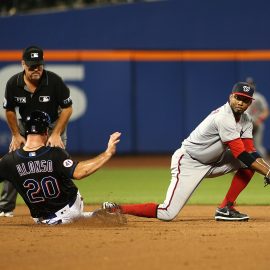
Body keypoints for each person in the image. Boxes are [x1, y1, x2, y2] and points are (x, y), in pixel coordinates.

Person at [103, 82, 270, 222]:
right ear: (231, 96)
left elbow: (250, 152)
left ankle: (226, 207)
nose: (241, 102)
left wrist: (267, 169)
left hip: (216, 160)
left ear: (250, 103)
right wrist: (267, 171)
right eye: (238, 98)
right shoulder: (224, 117)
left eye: (246, 100)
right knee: (167, 213)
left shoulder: (246, 120)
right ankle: (116, 209)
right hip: (189, 162)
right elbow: (241, 154)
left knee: (250, 164)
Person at [0, 110, 122, 225]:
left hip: (65, 211)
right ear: (46, 131)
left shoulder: (9, 161)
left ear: (25, 131)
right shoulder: (55, 153)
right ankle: (100, 214)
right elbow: (79, 172)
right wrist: (107, 153)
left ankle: (82, 216)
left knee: (54, 222)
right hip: (71, 204)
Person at [0, 45, 73, 217]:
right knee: (14, 161)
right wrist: (16, 135)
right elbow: (9, 110)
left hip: (52, 126)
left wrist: (56, 133)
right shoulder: (13, 83)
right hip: (25, 127)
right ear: (23, 64)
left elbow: (67, 109)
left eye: (39, 65)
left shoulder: (54, 81)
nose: (36, 69)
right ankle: (5, 208)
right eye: (32, 66)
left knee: (58, 162)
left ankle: (66, 204)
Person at [246, 77, 269, 157]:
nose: (250, 86)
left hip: (257, 123)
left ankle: (267, 165)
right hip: (246, 124)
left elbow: (266, 111)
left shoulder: (259, 97)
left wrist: (260, 119)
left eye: (251, 84)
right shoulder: (243, 96)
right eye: (248, 84)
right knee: (244, 146)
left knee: (258, 146)